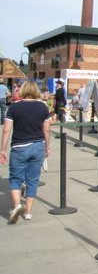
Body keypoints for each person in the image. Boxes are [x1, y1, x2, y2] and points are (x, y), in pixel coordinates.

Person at [0, 79, 51, 223]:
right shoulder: (42, 107)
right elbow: (46, 130)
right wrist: (47, 147)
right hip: (38, 145)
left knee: (15, 179)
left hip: (19, 146)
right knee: (32, 180)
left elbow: (6, 130)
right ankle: (28, 212)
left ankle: (17, 205)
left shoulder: (14, 107)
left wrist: (2, 149)